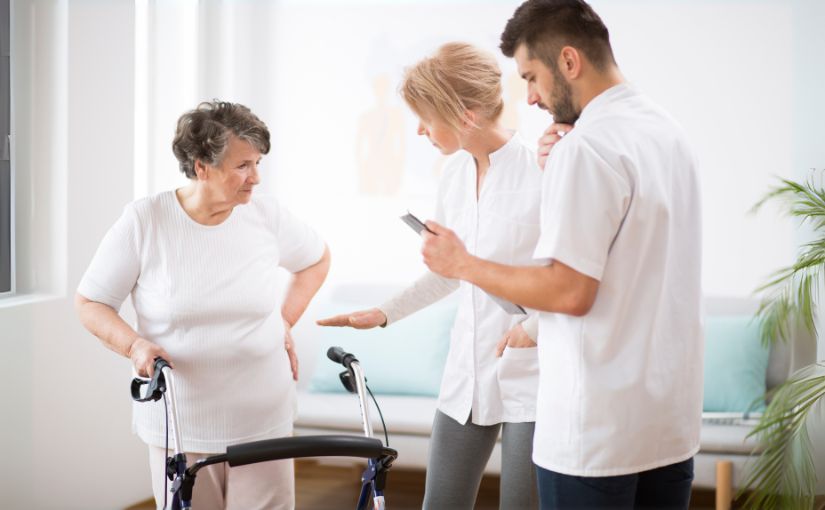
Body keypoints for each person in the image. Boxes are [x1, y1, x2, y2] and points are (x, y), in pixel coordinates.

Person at [419, 2, 703, 509]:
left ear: (568, 62)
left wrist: (462, 264)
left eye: (531, 76)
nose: (528, 98)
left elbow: (570, 291)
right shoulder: (669, 133)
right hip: (667, 428)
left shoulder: (586, 146)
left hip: (594, 437)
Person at [318, 42, 558, 510]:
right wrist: (385, 312)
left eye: (426, 117)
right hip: (466, 372)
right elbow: (450, 275)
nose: (422, 130)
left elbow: (570, 281)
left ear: (464, 114)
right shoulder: (452, 176)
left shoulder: (542, 173)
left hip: (534, 373)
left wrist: (532, 328)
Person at [75, 101, 330, 510]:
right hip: (181, 422)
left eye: (258, 163)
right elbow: (91, 302)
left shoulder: (266, 216)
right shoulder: (147, 221)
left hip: (265, 418)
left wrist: (283, 320)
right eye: (243, 166)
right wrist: (134, 345)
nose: (256, 178)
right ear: (201, 167)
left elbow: (317, 259)